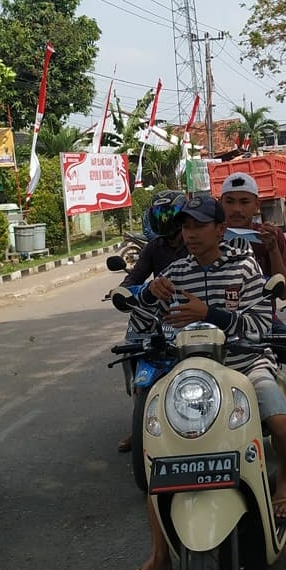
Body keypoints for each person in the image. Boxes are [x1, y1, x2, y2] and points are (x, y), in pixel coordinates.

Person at [122, 195, 286, 570]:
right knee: (158, 455)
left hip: (243, 364)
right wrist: (150, 296)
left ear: (219, 230)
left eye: (199, 226)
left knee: (279, 422)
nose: (190, 234)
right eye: (185, 227)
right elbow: (142, 324)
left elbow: (258, 324)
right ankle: (159, 556)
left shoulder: (244, 267)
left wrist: (209, 312)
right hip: (188, 374)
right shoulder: (174, 272)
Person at [220, 171, 286, 466]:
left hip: (263, 323)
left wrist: (270, 248)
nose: (236, 209)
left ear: (257, 205)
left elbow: (284, 292)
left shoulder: (270, 235)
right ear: (221, 204)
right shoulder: (210, 234)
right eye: (230, 202)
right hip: (214, 324)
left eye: (244, 202)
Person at [115, 189, 189, 453]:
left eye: (169, 214)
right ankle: (140, 421)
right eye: (160, 215)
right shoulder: (153, 248)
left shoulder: (194, 241)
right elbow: (134, 278)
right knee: (133, 345)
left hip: (193, 311)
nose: (165, 220)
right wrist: (123, 292)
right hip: (159, 313)